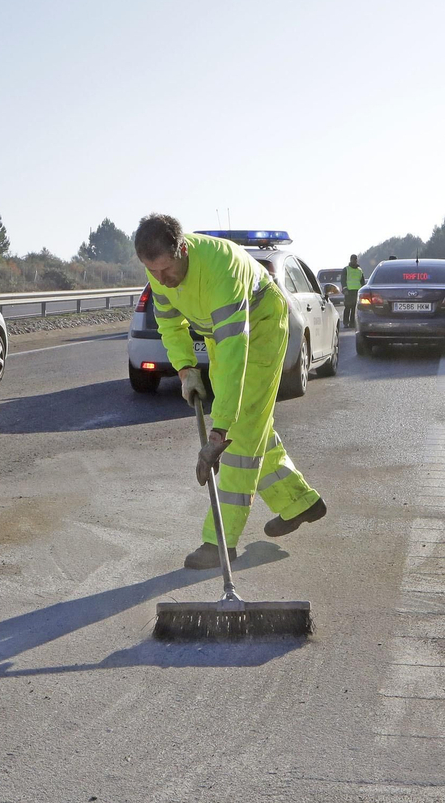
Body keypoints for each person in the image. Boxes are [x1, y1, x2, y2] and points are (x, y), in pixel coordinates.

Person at [134, 214, 327, 569]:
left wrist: (219, 431)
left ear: (183, 248)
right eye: (152, 272)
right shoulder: (158, 271)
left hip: (262, 327)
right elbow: (169, 322)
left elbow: (237, 357)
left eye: (166, 270)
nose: (162, 280)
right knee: (253, 430)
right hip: (220, 337)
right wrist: (186, 369)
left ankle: (220, 542)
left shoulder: (221, 270)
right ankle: (299, 502)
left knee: (238, 434)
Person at [340, 254, 364, 329]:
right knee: (347, 308)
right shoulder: (346, 269)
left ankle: (352, 323)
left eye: (356, 259)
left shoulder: (360, 270)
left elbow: (362, 281)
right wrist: (345, 289)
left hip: (357, 292)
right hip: (348, 292)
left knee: (354, 308)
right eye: (353, 259)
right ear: (350, 260)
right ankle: (346, 323)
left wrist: (362, 291)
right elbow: (343, 280)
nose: (354, 261)